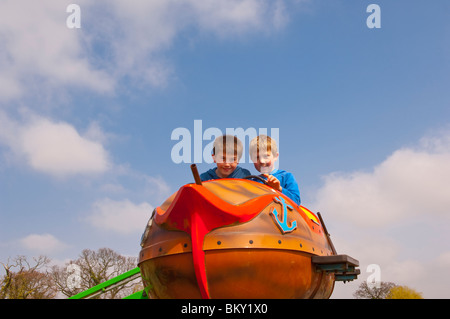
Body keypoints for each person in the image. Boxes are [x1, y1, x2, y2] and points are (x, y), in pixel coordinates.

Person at [249, 135, 301, 205]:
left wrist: (279, 189)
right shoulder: (251, 182)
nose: (261, 161)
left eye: (265, 156)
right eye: (257, 157)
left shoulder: (286, 177)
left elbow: (296, 201)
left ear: (276, 156)